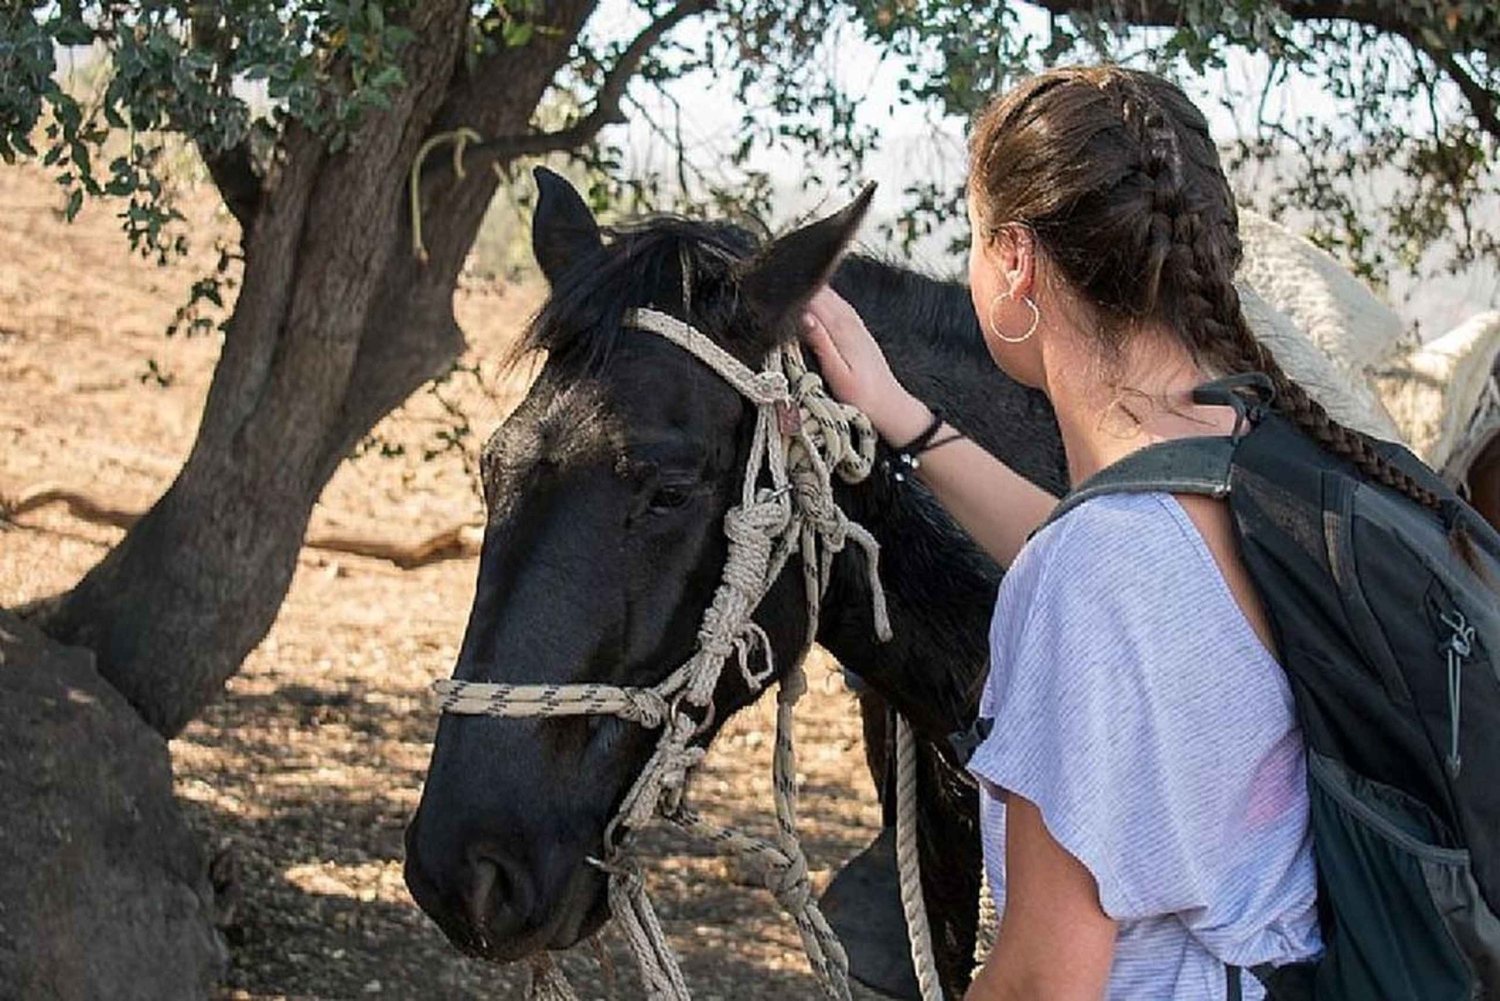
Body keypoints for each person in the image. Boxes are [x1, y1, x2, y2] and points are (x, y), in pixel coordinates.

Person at [800, 65, 1348, 1000]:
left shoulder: (1095, 575)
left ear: (1014, 261)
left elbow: (1042, 983)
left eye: (975, 241)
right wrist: (902, 415)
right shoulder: (1259, 457)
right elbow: (1131, 580)